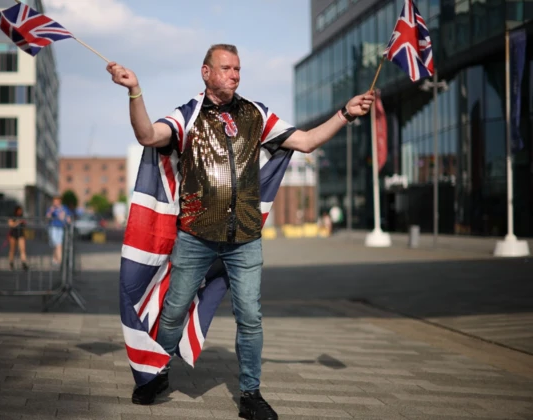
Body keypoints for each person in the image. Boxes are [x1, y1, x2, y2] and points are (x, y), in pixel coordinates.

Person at [107, 44, 373, 420]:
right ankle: (156, 371)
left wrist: (346, 113)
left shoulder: (256, 113)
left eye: (238, 69)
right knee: (174, 310)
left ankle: (250, 394)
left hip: (244, 240)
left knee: (251, 317)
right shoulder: (189, 114)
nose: (234, 74)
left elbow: (308, 142)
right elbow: (149, 136)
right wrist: (135, 91)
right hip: (195, 236)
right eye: (227, 68)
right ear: (206, 72)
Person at [46, 196, 71, 266]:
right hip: (53, 227)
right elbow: (47, 217)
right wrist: (51, 211)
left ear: (59, 201)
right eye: (54, 201)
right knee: (55, 244)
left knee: (58, 244)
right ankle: (56, 259)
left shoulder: (64, 208)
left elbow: (69, 219)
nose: (55, 202)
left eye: (56, 201)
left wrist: (64, 218)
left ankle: (60, 261)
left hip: (61, 227)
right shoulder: (51, 209)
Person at [8, 205, 28, 271]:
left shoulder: (22, 217)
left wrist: (24, 222)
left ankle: (24, 263)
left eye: (21, 210)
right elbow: (11, 224)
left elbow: (25, 225)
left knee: (22, 249)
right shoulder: (12, 216)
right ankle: (11, 263)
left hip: (21, 234)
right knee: (12, 250)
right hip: (13, 234)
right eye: (19, 210)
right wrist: (18, 222)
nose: (20, 212)